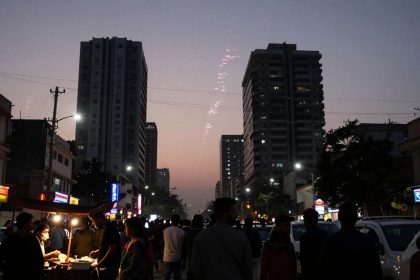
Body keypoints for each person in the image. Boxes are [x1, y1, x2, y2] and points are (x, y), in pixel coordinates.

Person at [192, 197, 253, 280]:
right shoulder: (241, 237)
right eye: (233, 211)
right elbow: (248, 269)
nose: (236, 215)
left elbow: (196, 268)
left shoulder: (201, 237)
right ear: (224, 213)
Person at [319, 201, 382, 280]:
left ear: (339, 218)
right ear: (356, 218)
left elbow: (324, 270)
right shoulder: (367, 241)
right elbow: (376, 271)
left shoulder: (330, 242)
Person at [0, 212, 44, 280]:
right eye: (31, 222)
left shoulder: (33, 239)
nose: (33, 225)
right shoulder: (9, 241)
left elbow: (39, 260)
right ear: (26, 224)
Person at [89, 211, 122, 280]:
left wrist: (98, 264)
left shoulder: (110, 229)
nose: (93, 223)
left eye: (93, 221)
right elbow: (107, 246)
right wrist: (97, 251)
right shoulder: (106, 228)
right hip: (106, 267)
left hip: (109, 267)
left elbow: (112, 249)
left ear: (99, 218)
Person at [299, 208, 327, 280]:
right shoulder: (324, 235)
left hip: (309, 274)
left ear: (306, 221)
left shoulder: (305, 237)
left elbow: (304, 260)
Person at [162, 214, 185, 280]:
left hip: (167, 257)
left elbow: (165, 242)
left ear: (171, 221)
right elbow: (182, 245)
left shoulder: (165, 231)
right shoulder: (182, 232)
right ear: (178, 221)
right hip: (177, 257)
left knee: (166, 277)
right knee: (177, 277)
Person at [184, 215, 204, 280]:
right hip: (202, 265)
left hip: (190, 264)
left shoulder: (188, 234)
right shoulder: (205, 234)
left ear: (192, 222)